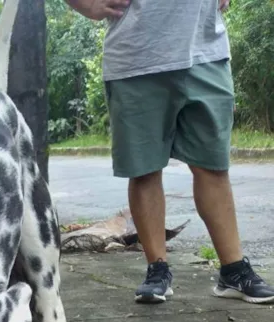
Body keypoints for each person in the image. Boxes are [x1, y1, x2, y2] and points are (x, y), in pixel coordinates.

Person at [65, 0, 274, 305]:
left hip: (206, 51)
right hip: (136, 58)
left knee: (213, 166)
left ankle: (233, 271)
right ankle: (157, 270)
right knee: (144, 168)